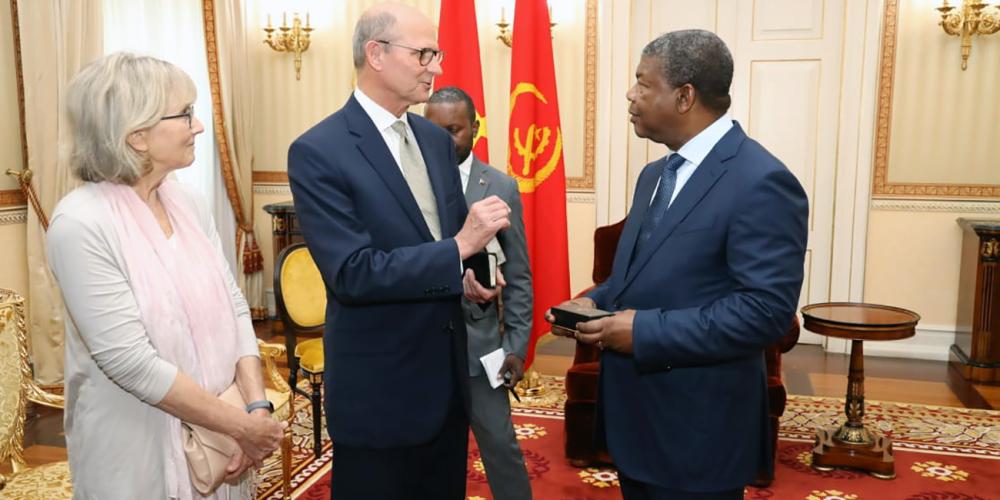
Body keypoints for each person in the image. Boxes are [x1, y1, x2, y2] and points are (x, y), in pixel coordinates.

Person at [546, 30, 809, 499]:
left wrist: (645, 332)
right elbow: (631, 276)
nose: (630, 94)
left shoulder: (762, 181)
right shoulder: (654, 174)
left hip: (699, 432)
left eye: (643, 83)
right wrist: (589, 304)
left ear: (685, 96)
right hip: (634, 422)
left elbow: (764, 313)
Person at [286, 3, 511, 499]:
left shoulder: (433, 140)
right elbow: (353, 273)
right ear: (376, 54)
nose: (437, 66)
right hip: (379, 391)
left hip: (447, 383)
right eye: (425, 54)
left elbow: (445, 239)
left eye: (438, 53)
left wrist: (470, 278)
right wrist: (459, 248)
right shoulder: (319, 150)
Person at [46, 52, 286, 499]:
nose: (198, 126)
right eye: (186, 114)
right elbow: (130, 362)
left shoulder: (187, 201)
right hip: (136, 452)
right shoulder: (81, 224)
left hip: (223, 437)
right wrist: (241, 427)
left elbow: (234, 305)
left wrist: (255, 407)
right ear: (137, 136)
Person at [426, 87, 534, 500]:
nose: (443, 140)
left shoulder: (501, 187)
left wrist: (516, 346)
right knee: (430, 450)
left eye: (453, 130)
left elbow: (520, 275)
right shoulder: (408, 183)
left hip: (480, 346)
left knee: (500, 446)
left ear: (474, 128)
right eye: (433, 130)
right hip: (424, 345)